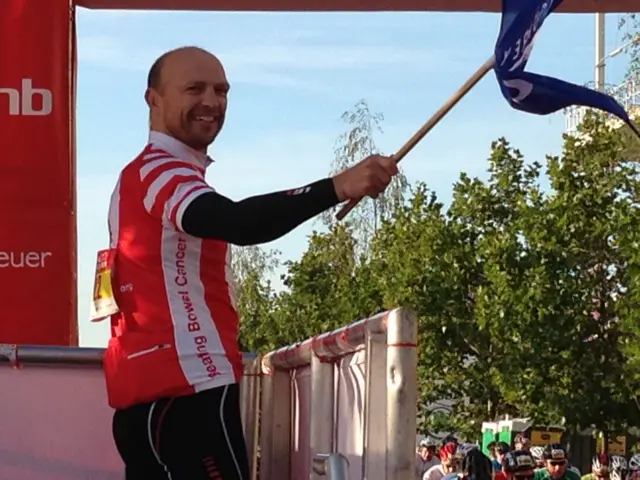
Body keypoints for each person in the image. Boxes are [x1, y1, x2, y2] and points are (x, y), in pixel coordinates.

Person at [103, 46, 398, 480]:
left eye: (221, 90)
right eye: (194, 88)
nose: (212, 101)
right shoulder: (162, 173)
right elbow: (237, 222)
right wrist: (336, 186)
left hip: (147, 400)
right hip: (188, 391)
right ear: (154, 99)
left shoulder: (136, 177)